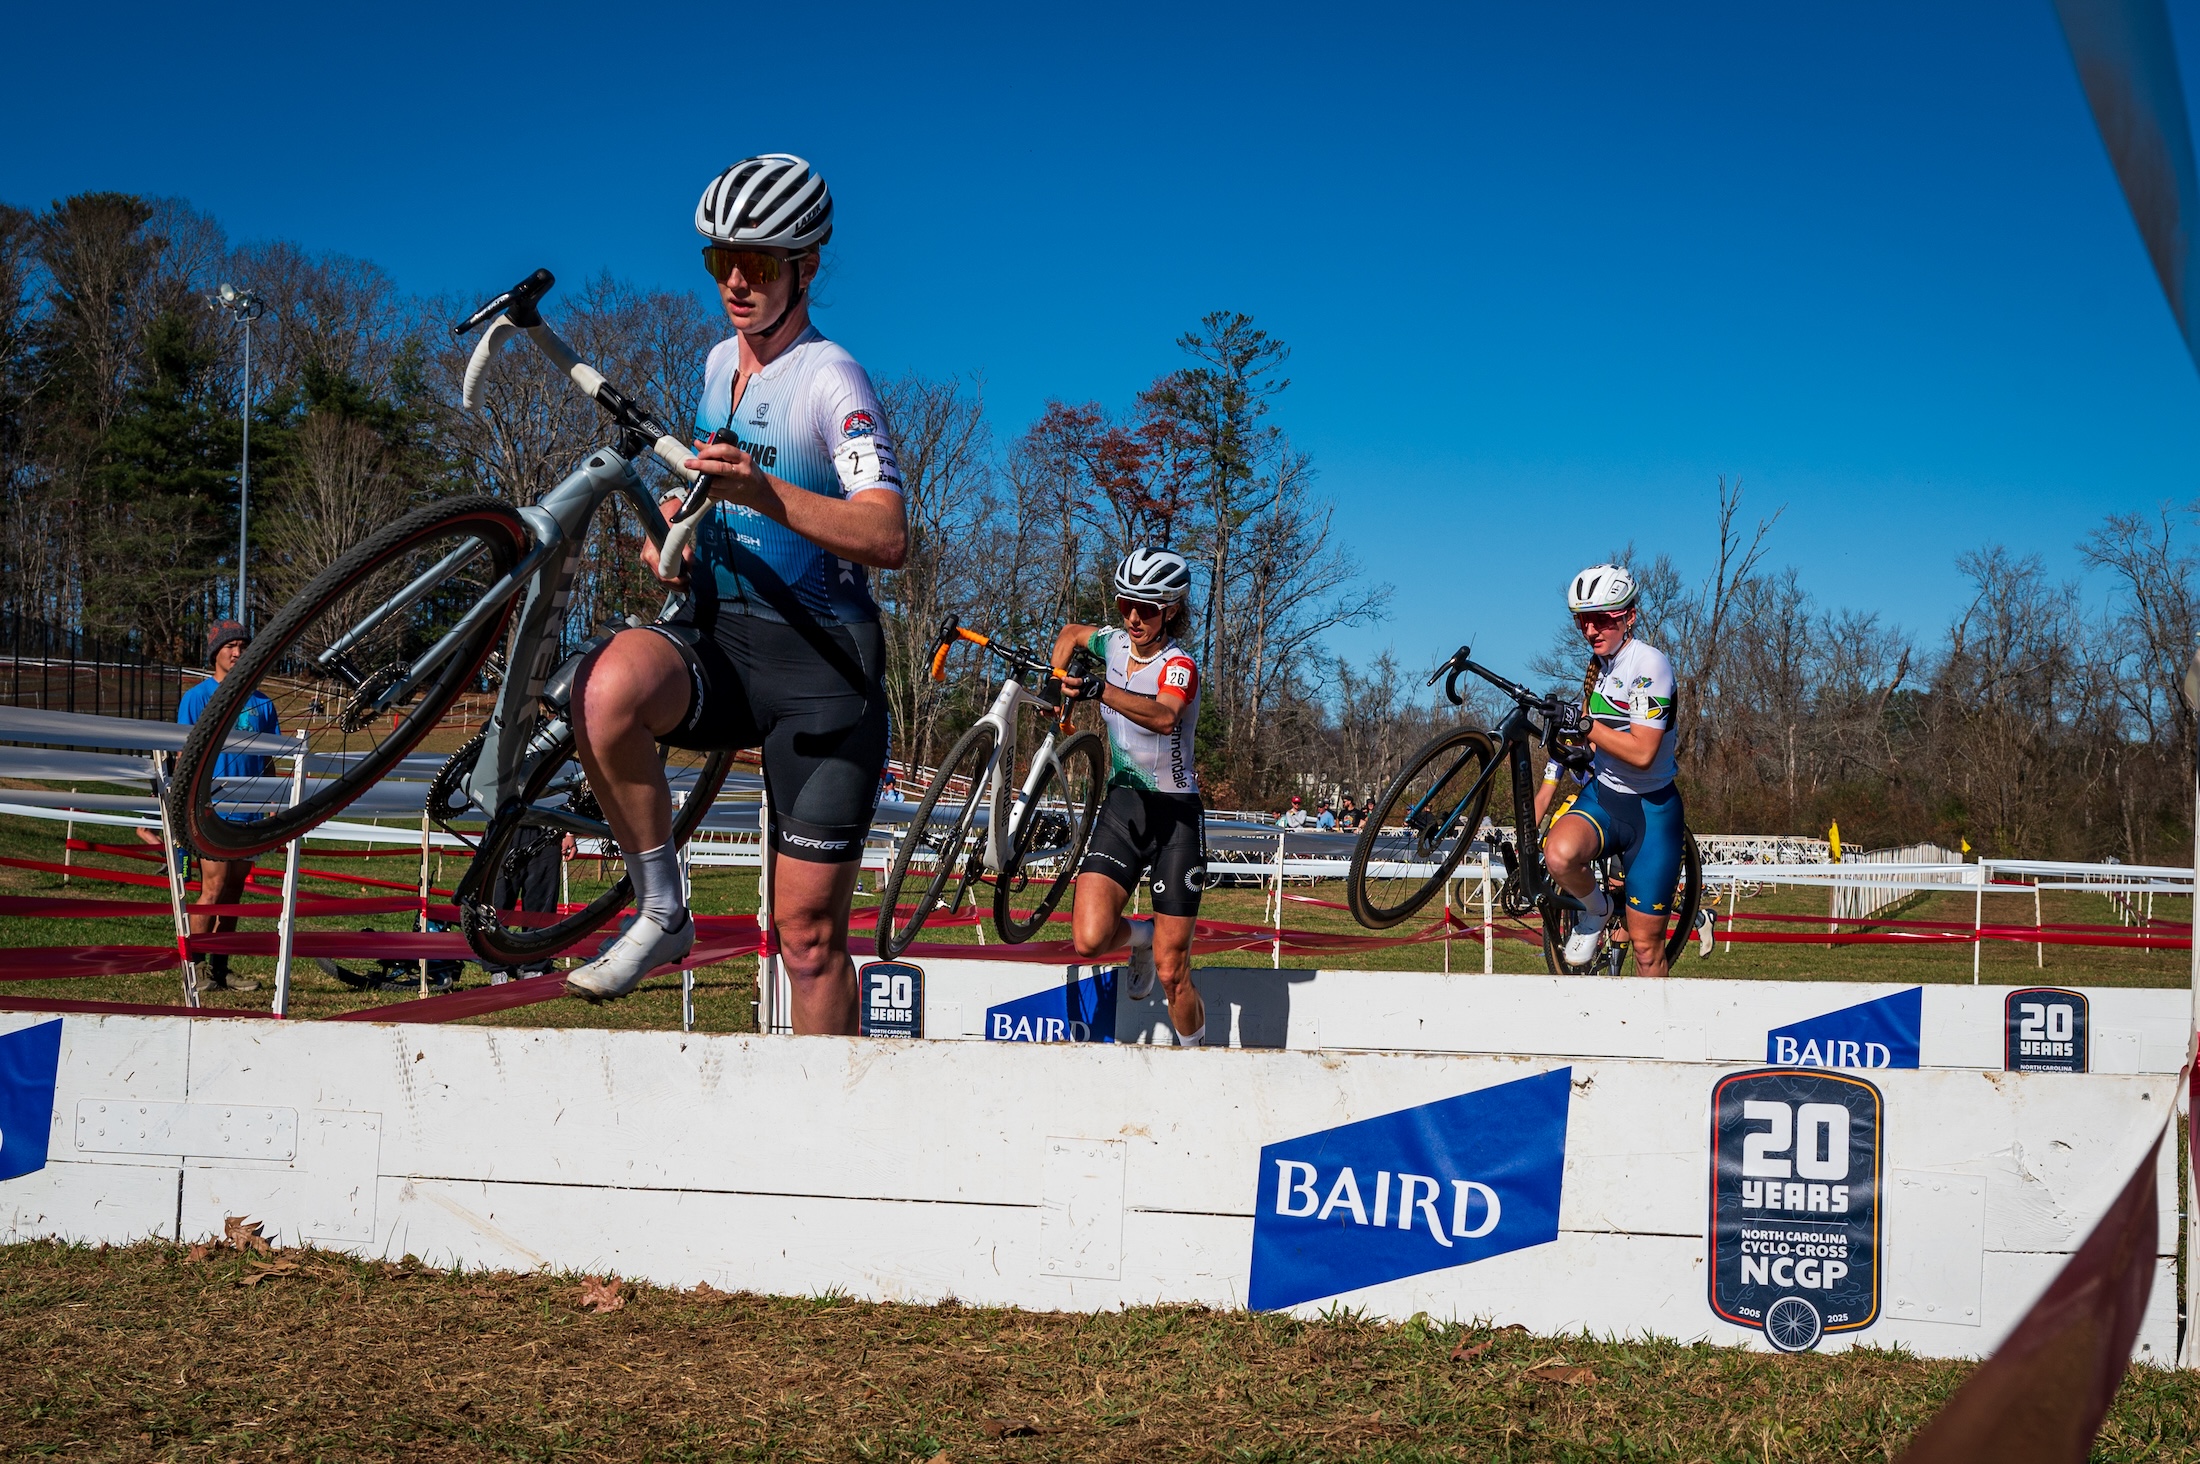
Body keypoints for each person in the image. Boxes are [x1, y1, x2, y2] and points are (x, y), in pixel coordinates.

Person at [564, 154, 906, 1031]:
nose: (739, 282)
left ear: (808, 267)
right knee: (603, 689)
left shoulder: (835, 379)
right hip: (724, 635)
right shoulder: (720, 362)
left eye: (760, 263)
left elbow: (887, 534)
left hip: (823, 668)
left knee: (808, 937)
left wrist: (765, 494)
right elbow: (729, 484)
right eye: (722, 262)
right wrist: (683, 522)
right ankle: (661, 910)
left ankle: (832, 1133)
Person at [1052, 548, 1209, 1047]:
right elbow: (1072, 634)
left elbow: (1165, 716)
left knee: (1172, 971)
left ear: (1171, 611)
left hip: (1175, 820)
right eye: (1125, 606)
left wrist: (1099, 691)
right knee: (1089, 940)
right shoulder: (1114, 643)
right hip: (1124, 806)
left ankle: (1197, 1061)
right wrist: (1057, 682)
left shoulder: (1178, 665)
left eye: (1146, 608)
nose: (1133, 618)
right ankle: (1138, 936)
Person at [1531, 563, 1685, 977]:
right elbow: (1590, 738)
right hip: (1605, 797)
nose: (1590, 630)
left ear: (1629, 616)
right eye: (1583, 620)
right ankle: (1596, 912)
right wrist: (1565, 737)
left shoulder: (1649, 665)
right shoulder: (1601, 670)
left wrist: (1584, 724)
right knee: (1559, 856)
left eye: (1601, 619)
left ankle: (1655, 1039)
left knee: (1646, 948)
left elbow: (1642, 754)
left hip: (1652, 813)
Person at [138, 621, 280, 991]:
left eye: (243, 646)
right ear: (215, 651)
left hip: (250, 810)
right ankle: (194, 967)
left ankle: (221, 968)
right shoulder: (197, 698)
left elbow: (270, 758)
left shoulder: (263, 703)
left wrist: (273, 803)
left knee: (235, 890)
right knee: (213, 888)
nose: (237, 652)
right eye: (230, 645)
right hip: (211, 809)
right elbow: (184, 754)